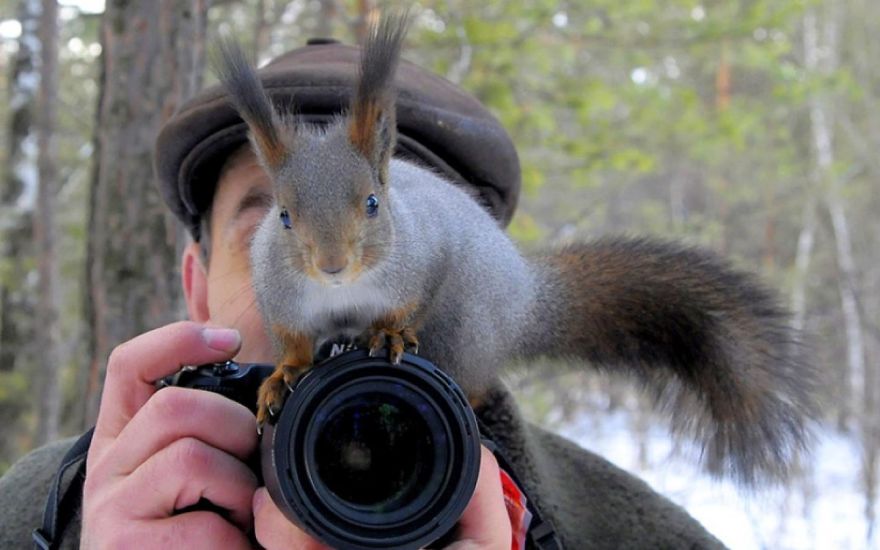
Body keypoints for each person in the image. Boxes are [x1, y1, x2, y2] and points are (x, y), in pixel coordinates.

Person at [0, 39, 724, 548]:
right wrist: (68, 538)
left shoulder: (623, 527)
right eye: (264, 221)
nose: (331, 259)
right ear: (196, 286)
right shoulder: (49, 504)